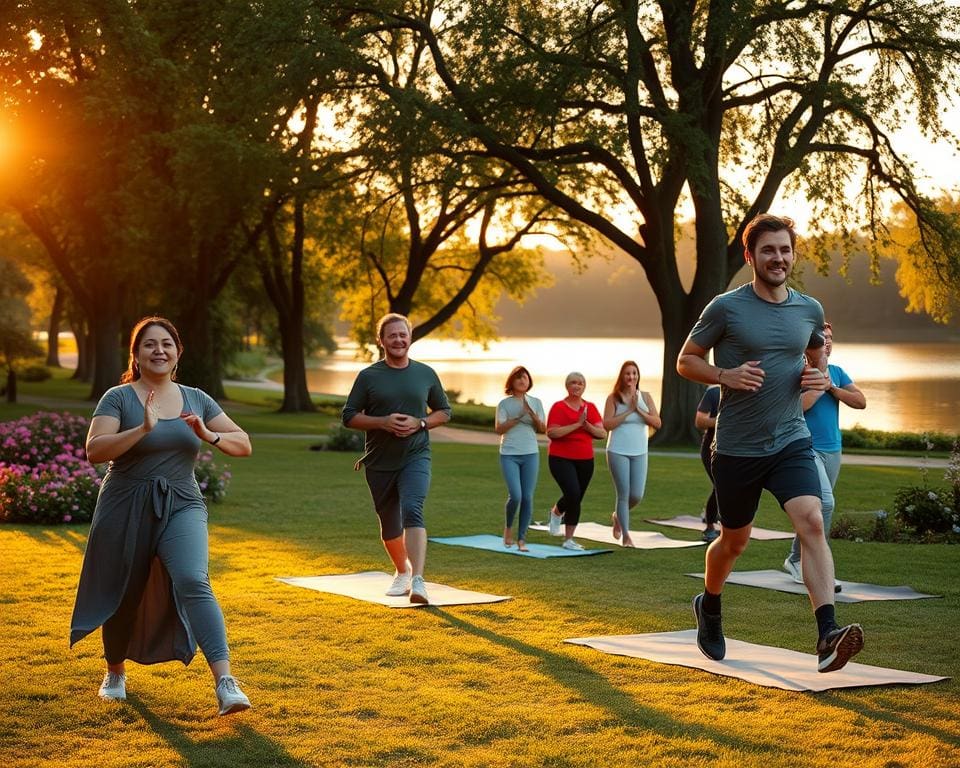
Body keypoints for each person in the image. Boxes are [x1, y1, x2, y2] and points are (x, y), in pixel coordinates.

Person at [677, 213, 865, 674]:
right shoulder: (725, 307)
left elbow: (816, 352)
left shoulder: (809, 309)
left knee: (812, 520)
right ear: (750, 256)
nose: (777, 258)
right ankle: (711, 604)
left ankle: (826, 635)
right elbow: (686, 360)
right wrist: (725, 375)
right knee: (733, 542)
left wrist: (817, 373)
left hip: (790, 440)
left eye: (784, 249)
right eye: (768, 250)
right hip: (738, 447)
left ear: (792, 255)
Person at [70, 316, 253, 715]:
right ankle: (115, 672)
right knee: (125, 589)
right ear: (136, 355)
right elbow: (95, 450)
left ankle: (226, 682)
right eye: (150, 344)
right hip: (125, 503)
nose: (159, 350)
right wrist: (141, 430)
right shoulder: (118, 398)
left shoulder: (197, 398)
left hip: (182, 502)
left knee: (192, 578)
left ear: (177, 352)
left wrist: (210, 436)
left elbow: (243, 444)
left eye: (167, 343)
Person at [341, 313, 451, 604]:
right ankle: (402, 571)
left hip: (416, 455)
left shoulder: (425, 373)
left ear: (410, 338)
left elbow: (444, 411)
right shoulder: (369, 377)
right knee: (389, 524)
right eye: (392, 335)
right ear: (381, 340)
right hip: (379, 461)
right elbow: (349, 416)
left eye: (403, 335)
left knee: (413, 509)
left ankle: (418, 581)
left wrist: (421, 423)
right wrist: (383, 422)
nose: (399, 340)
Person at [783, 322, 866, 585]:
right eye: (823, 338)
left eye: (831, 338)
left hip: (833, 449)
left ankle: (795, 559)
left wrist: (832, 388)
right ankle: (816, 564)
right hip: (806, 448)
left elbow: (861, 402)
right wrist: (820, 388)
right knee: (826, 504)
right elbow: (793, 409)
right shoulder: (799, 373)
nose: (827, 342)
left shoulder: (837, 373)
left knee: (816, 510)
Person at [602, 360, 661, 547]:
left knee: (636, 495)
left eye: (634, 373)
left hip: (640, 452)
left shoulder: (645, 396)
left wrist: (638, 409)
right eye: (628, 373)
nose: (631, 377)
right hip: (617, 450)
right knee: (624, 494)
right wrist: (628, 410)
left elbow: (657, 423)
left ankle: (617, 516)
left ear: (638, 376)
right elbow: (607, 424)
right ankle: (626, 536)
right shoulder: (613, 398)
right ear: (622, 376)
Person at [546, 372, 606, 550]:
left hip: (585, 460)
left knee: (576, 497)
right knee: (572, 493)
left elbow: (602, 434)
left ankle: (556, 512)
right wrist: (577, 425)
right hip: (560, 459)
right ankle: (568, 540)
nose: (577, 386)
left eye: (581, 383)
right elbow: (552, 433)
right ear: (567, 386)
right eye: (573, 382)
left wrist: (586, 424)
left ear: (584, 387)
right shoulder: (558, 407)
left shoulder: (590, 408)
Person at [495, 366, 546, 552]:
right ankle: (508, 529)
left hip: (531, 453)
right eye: (518, 378)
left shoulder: (536, 402)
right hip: (509, 453)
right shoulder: (504, 404)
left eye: (525, 378)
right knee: (515, 495)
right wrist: (518, 417)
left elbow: (542, 428)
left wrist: (531, 414)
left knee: (527, 497)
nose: (522, 381)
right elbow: (499, 429)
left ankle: (522, 539)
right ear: (512, 382)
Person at [695, 385, 721, 542]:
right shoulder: (713, 392)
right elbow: (700, 421)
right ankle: (710, 526)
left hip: (739, 448)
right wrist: (724, 419)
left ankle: (713, 518)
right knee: (720, 485)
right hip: (711, 447)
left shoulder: (749, 389)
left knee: (730, 487)